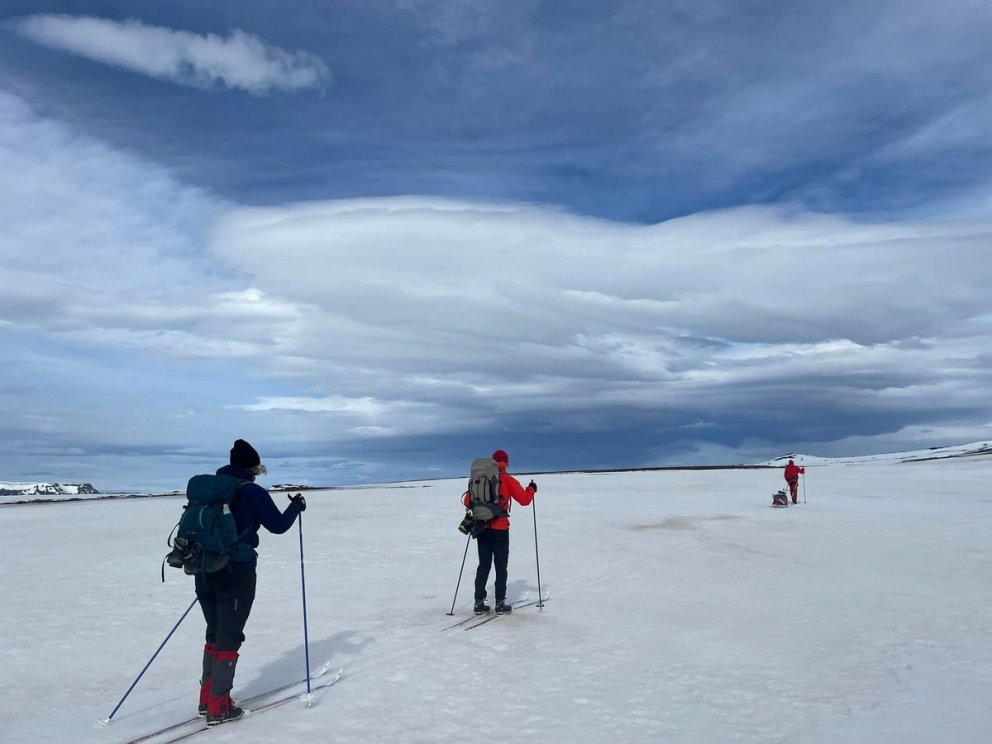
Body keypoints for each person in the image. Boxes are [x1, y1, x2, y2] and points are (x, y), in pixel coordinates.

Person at [196, 439, 306, 726]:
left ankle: (206, 698)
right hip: (237, 569)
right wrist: (296, 507)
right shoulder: (251, 491)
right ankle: (219, 707)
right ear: (253, 467)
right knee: (230, 635)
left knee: (214, 631)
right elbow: (278, 526)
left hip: (204, 567)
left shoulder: (210, 490)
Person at [463, 449, 536, 615]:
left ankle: (479, 602)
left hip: (482, 528)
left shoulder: (479, 478)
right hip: (500, 529)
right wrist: (531, 489)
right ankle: (500, 603)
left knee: (484, 565)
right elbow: (524, 500)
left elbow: (468, 501)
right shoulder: (507, 479)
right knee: (501, 566)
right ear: (506, 463)